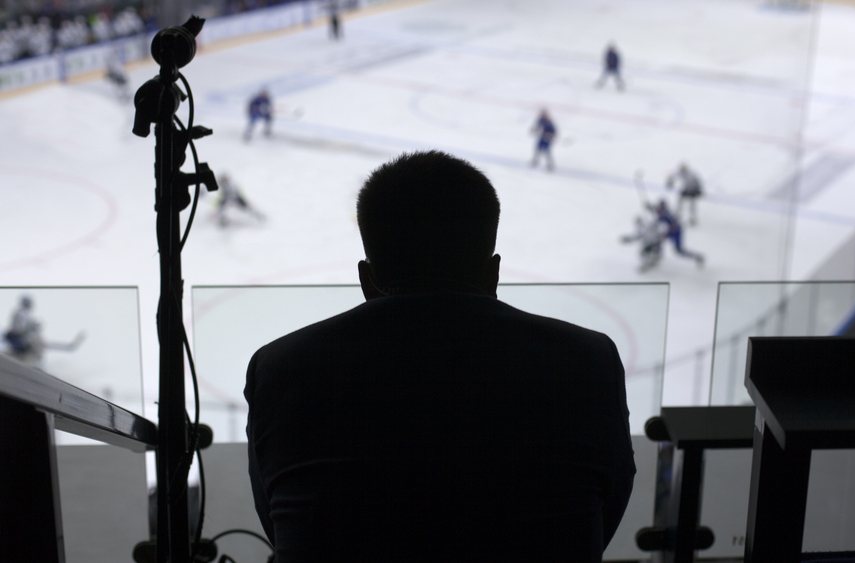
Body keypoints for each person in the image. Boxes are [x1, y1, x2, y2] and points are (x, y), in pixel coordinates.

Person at [244, 151, 635, 562]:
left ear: (366, 280)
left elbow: (279, 520)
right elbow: (602, 513)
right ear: (493, 273)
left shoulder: (280, 368)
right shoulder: (588, 361)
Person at [3, 295, 84, 367]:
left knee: (35, 345)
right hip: (18, 341)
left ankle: (26, 358)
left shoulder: (22, 315)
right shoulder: (21, 314)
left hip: (20, 344)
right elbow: (19, 328)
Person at [648, 199, 705, 267]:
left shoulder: (666, 215)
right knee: (657, 241)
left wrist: (666, 234)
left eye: (659, 208)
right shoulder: (662, 212)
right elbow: (655, 210)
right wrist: (649, 207)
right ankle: (656, 256)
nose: (658, 209)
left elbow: (673, 225)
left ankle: (697, 257)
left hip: (676, 232)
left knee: (679, 250)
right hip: (672, 231)